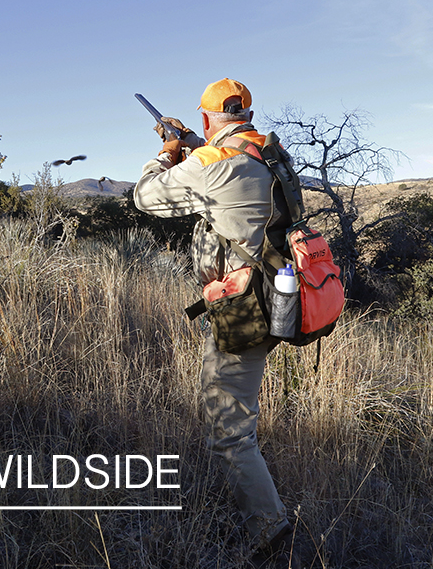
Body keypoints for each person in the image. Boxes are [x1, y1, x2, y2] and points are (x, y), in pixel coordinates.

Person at [133, 78, 292, 552]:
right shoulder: (268, 151)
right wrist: (192, 146)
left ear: (206, 119)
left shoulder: (213, 162)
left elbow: (146, 196)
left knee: (229, 428)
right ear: (245, 112)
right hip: (275, 291)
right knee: (235, 414)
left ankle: (270, 529)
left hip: (242, 308)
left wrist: (167, 150)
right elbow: (228, 171)